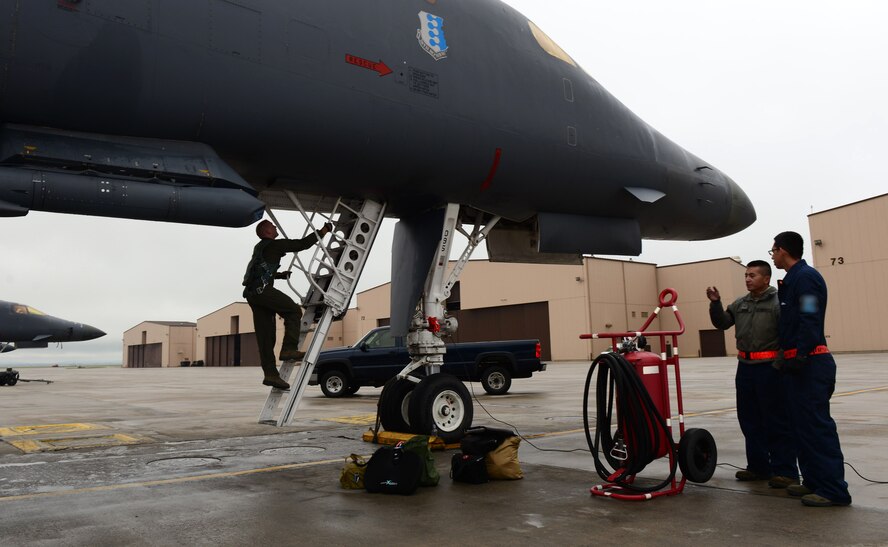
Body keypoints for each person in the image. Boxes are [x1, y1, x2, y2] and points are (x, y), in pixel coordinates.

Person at [770, 231, 851, 507]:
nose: (772, 255)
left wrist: (801, 355)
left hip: (811, 363)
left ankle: (833, 489)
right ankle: (814, 481)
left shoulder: (805, 279)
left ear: (783, 250)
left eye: (773, 250)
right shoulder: (793, 280)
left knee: (816, 427)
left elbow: (809, 316)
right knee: (801, 427)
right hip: (798, 364)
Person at [707, 260, 798, 488]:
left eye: (752, 275)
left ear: (766, 279)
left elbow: (788, 336)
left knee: (776, 420)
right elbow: (722, 323)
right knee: (749, 420)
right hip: (745, 368)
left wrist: (778, 365)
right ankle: (758, 467)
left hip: (770, 369)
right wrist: (716, 304)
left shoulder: (778, 303)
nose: (747, 279)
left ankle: (785, 471)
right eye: (746, 275)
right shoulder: (740, 303)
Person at [243, 219, 332, 390]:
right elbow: (302, 244)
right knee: (293, 311)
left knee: (266, 337)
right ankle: (289, 349)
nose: (276, 228)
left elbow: (259, 271)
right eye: (273, 227)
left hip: (253, 294)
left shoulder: (259, 248)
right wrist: (323, 231)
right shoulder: (274, 245)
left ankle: (270, 375)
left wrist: (279, 275)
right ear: (268, 232)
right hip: (263, 291)